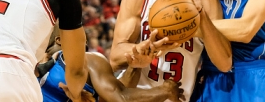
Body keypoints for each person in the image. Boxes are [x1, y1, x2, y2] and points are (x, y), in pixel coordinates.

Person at [109, 0, 232, 102]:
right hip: (140, 96)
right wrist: (145, 49)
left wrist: (200, 14)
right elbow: (115, 58)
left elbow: (224, 63)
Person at [38, 26, 185, 102]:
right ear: (60, 40)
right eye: (81, 36)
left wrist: (134, 69)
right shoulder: (39, 64)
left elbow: (118, 96)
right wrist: (166, 90)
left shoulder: (88, 60)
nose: (85, 41)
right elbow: (121, 97)